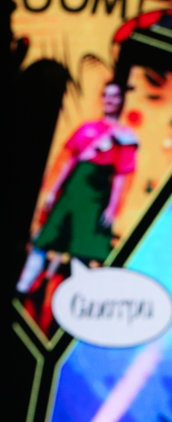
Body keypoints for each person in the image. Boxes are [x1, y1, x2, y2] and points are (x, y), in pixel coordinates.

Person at [16, 80, 138, 297]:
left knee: (82, 249)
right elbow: (70, 161)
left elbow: (120, 176)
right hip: (72, 193)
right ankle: (21, 288)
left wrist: (112, 207)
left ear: (121, 100)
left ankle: (75, 300)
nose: (110, 100)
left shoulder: (125, 136)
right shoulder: (87, 128)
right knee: (44, 240)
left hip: (95, 199)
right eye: (106, 95)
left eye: (115, 96)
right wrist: (53, 191)